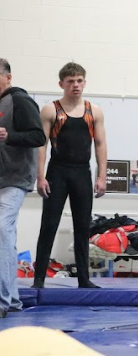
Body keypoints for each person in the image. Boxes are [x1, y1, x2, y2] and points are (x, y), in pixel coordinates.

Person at [32, 62, 107, 289]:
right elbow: (41, 145)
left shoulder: (94, 111)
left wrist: (102, 176)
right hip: (58, 172)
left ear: (84, 82)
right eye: (71, 81)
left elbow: (101, 144)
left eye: (79, 81)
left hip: (82, 173)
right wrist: (40, 176)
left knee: (83, 226)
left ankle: (84, 280)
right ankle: (39, 280)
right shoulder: (51, 110)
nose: (76, 85)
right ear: (61, 84)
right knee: (49, 225)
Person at [0, 59, 46, 318]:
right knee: (5, 237)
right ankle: (13, 300)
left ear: (8, 77)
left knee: (1, 230)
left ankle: (2, 301)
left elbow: (38, 137)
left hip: (16, 180)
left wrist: (10, 136)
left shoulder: (20, 100)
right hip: (1, 179)